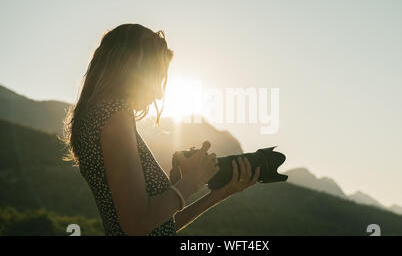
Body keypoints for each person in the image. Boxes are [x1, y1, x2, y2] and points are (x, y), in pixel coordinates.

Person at [63, 23, 260, 236]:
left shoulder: (99, 115)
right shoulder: (114, 117)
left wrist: (217, 195)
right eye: (157, 76)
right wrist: (192, 180)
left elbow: (160, 227)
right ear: (133, 66)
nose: (158, 94)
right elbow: (136, 225)